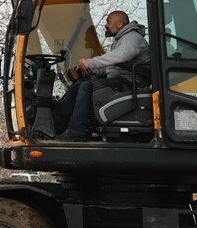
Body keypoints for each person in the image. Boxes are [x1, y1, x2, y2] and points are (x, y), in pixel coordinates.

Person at [32, 9, 148, 142]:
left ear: (120, 24)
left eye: (108, 22)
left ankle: (77, 131)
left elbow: (120, 56)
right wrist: (91, 70)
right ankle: (59, 126)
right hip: (120, 79)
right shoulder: (121, 39)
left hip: (131, 83)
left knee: (86, 87)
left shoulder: (132, 38)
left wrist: (90, 63)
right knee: (77, 86)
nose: (106, 25)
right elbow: (112, 68)